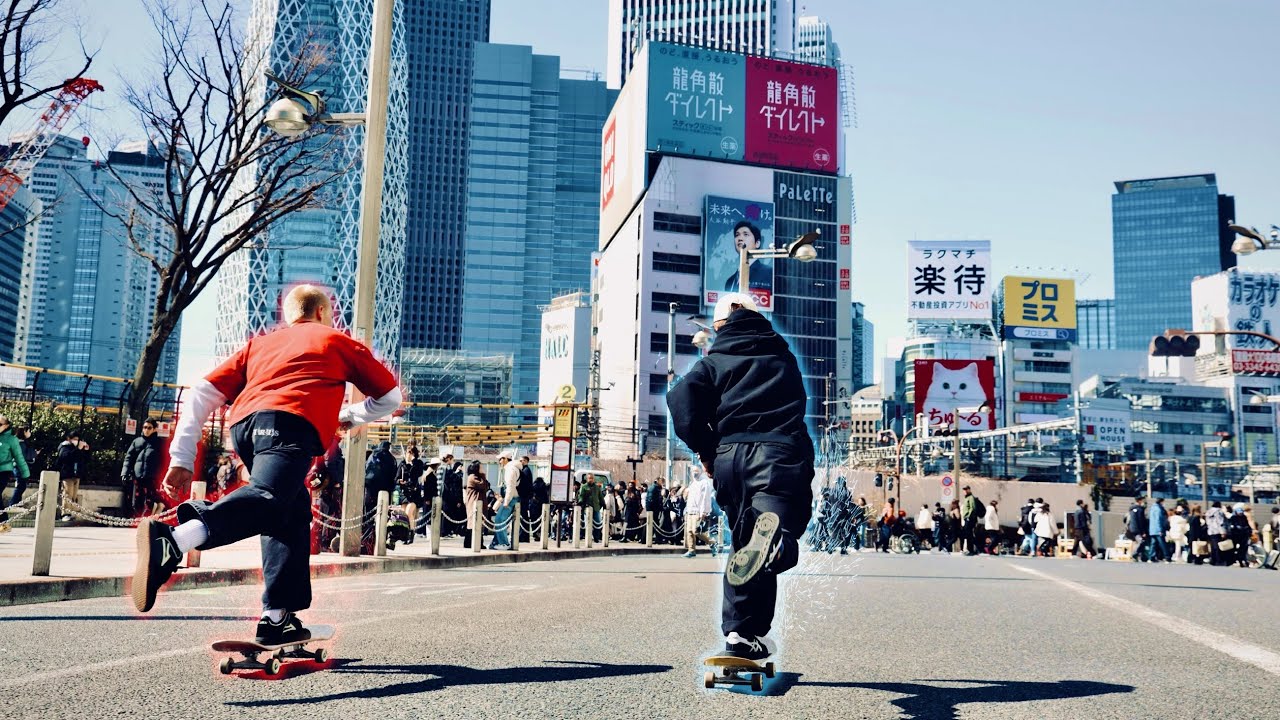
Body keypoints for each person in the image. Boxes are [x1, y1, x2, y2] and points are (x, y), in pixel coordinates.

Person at [132, 284, 401, 646]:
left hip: (244, 427)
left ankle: (278, 616)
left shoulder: (260, 344)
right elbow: (389, 397)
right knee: (271, 498)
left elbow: (201, 393)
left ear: (290, 316)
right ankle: (175, 541)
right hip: (290, 424)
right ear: (323, 312)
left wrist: (181, 456)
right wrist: (350, 415)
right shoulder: (336, 340)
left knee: (289, 509)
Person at [667, 292, 813, 662]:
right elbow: (797, 412)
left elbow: (680, 399)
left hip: (729, 457)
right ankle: (776, 538)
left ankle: (741, 633)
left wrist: (706, 447)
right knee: (771, 528)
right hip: (776, 453)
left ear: (721, 326)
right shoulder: (782, 357)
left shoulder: (715, 360)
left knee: (746, 544)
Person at [122, 419, 164, 516]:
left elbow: (165, 459)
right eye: (145, 427)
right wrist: (125, 472)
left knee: (150, 501)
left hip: (152, 477)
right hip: (138, 476)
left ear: (154, 429)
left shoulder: (159, 443)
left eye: (149, 428)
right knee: (137, 502)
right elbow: (128, 458)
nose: (146, 430)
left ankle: (150, 520)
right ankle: (147, 517)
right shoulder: (137, 442)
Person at [721, 221, 773, 295]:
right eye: (737, 235)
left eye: (746, 234)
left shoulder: (768, 272)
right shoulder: (730, 281)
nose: (740, 238)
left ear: (757, 243)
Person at [0, 416, 31, 532]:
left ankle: (3, 523)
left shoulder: (12, 439)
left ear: (6, 426)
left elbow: (19, 457)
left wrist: (25, 473)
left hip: (4, 471)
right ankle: (3, 523)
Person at [3, 426, 35, 514]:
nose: (29, 433)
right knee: (21, 486)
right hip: (19, 467)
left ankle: (16, 504)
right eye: (28, 431)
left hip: (18, 466)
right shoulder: (20, 443)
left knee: (21, 485)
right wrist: (34, 454)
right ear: (24, 432)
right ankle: (13, 504)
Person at [684, 472, 713, 557]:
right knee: (689, 531)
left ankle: (712, 543)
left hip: (697, 511)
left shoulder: (704, 483)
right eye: (693, 471)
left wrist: (703, 512)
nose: (694, 473)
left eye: (696, 471)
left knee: (696, 531)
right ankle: (691, 550)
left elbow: (705, 498)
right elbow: (689, 498)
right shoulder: (692, 483)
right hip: (690, 510)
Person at [54, 431, 83, 520]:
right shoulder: (64, 447)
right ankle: (65, 514)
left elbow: (83, 459)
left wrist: (86, 450)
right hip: (67, 474)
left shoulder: (76, 447)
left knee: (74, 495)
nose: (76, 441)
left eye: (77, 439)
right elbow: (65, 457)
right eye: (74, 439)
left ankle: (71, 512)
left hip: (76, 474)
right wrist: (77, 449)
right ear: (69, 439)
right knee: (67, 493)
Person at [463, 460, 490, 549]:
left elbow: (486, 486)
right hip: (474, 502)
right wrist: (483, 475)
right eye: (481, 467)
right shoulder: (472, 477)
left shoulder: (478, 477)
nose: (483, 469)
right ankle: (470, 542)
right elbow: (483, 485)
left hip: (479, 501)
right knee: (473, 522)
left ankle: (477, 542)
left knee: (479, 522)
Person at [441, 455, 464, 537]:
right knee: (446, 513)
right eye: (452, 459)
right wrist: (457, 473)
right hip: (446, 495)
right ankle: (444, 531)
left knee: (447, 513)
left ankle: (446, 531)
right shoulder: (447, 468)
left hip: (445, 494)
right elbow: (452, 479)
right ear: (449, 459)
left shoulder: (444, 467)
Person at [960, 486, 984, 555]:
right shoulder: (967, 498)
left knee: (969, 535)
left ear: (969, 490)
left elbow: (972, 508)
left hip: (970, 519)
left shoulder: (970, 498)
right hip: (968, 519)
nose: (964, 491)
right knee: (969, 535)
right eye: (964, 490)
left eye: (965, 490)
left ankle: (972, 550)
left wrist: (969, 517)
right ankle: (976, 549)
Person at [1147, 497, 1170, 562]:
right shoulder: (1158, 509)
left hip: (1152, 529)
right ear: (1161, 502)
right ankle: (1167, 557)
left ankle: (1151, 557)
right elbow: (1158, 520)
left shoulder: (1152, 508)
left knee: (1153, 544)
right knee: (1162, 543)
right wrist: (1160, 529)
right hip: (1158, 529)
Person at [1126, 497, 1148, 563]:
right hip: (1137, 529)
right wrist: (1143, 531)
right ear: (1140, 501)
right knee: (1141, 541)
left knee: (1137, 542)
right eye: (1143, 500)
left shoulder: (1131, 509)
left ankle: (1138, 556)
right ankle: (1134, 554)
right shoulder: (1140, 509)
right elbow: (1141, 521)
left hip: (1131, 528)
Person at [1205, 501, 1228, 566]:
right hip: (1217, 530)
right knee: (1218, 546)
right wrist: (1223, 532)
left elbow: (1207, 522)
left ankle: (1213, 559)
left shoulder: (1208, 511)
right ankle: (1219, 560)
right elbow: (1220, 522)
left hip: (1210, 530)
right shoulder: (1219, 511)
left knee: (1213, 546)